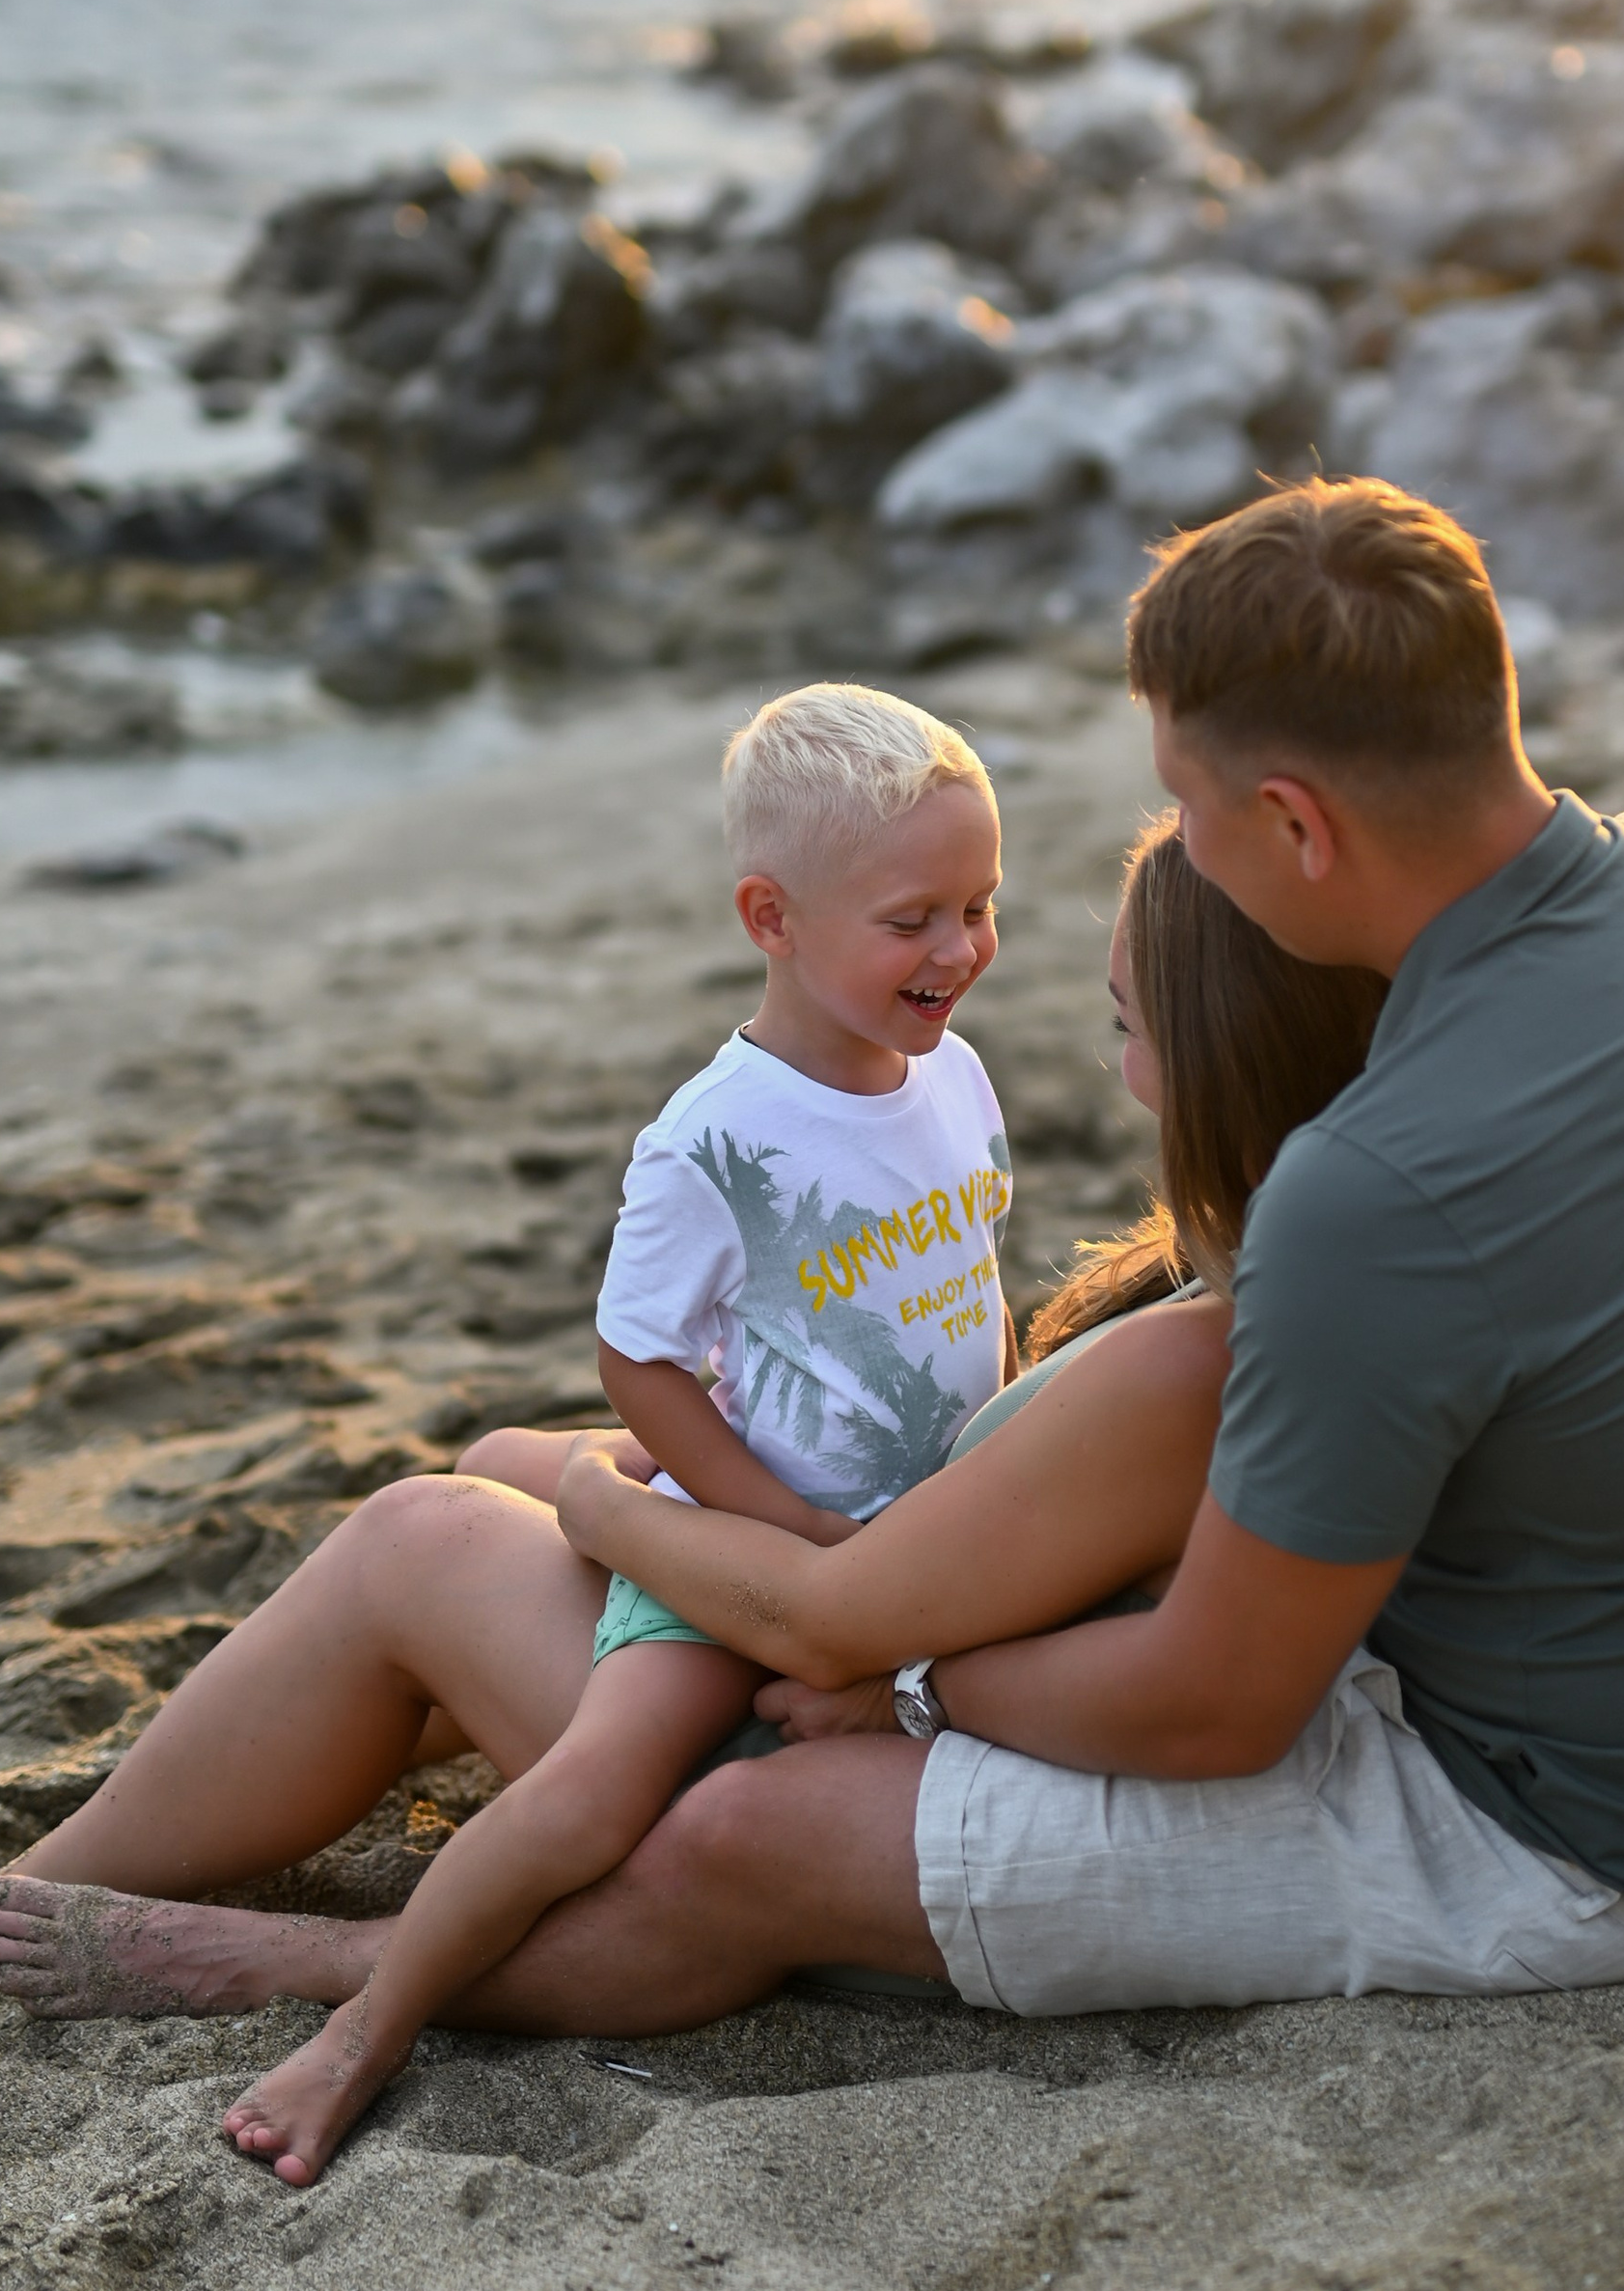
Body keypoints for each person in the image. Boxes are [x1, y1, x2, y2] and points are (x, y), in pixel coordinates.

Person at [0, 476, 1624, 2060]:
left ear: (1290, 817)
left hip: (1582, 1836)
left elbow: (1207, 1712)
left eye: (1180, 803)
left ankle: (284, 1961)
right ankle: (168, 1849)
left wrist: (908, 1681)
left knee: (736, 1819)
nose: (1170, 850)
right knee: (564, 1549)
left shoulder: (1377, 1193)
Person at [0, 806, 1380, 2060]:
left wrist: (608, 1499)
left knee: (418, 1539)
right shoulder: (1278, 1261)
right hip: (916, 1633)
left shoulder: (1194, 1361)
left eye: (1128, 1024)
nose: (1113, 1058)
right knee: (494, 1457)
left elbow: (856, 1622)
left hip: (849, 1733)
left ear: (1219, 1051)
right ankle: (295, 1773)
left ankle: (21, 1903)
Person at [66, 678, 1012, 2187]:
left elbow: (960, 1302)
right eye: (914, 917)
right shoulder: (716, 1134)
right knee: (589, 1787)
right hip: (749, 1545)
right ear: (771, 914)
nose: (959, 949)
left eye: (980, 904)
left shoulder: (952, 1076)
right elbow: (638, 1362)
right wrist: (766, 1529)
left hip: (894, 1531)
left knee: (498, 1475)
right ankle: (368, 2023)